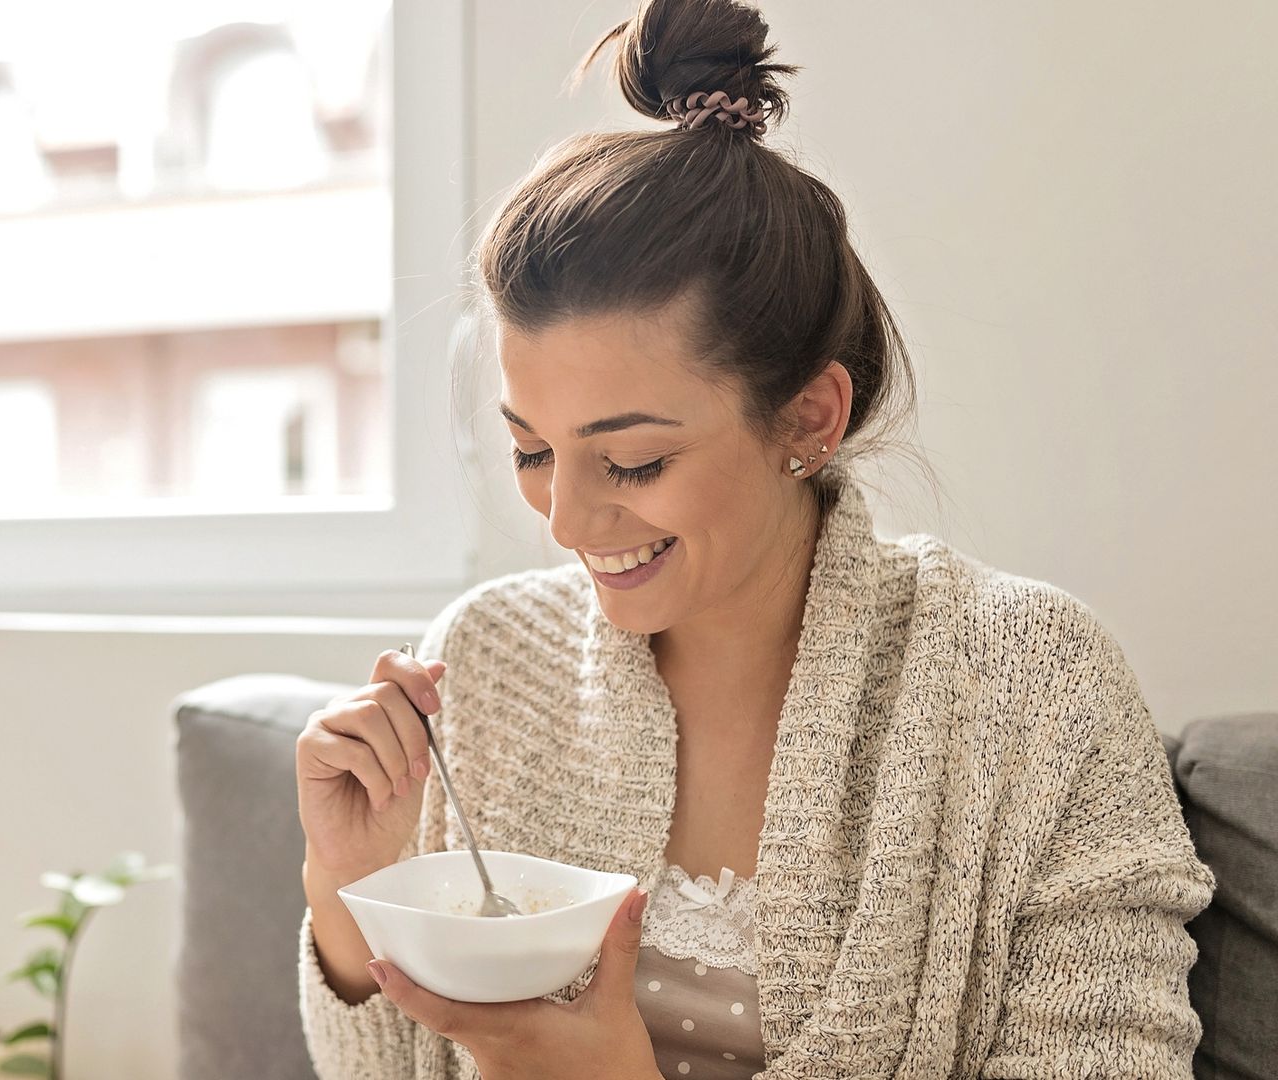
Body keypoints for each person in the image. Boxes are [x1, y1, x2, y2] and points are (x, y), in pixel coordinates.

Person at [292, 0, 1215, 1077]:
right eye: (533, 450)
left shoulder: (1034, 689)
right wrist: (348, 889)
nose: (568, 521)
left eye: (633, 460)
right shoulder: (490, 666)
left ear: (810, 419)